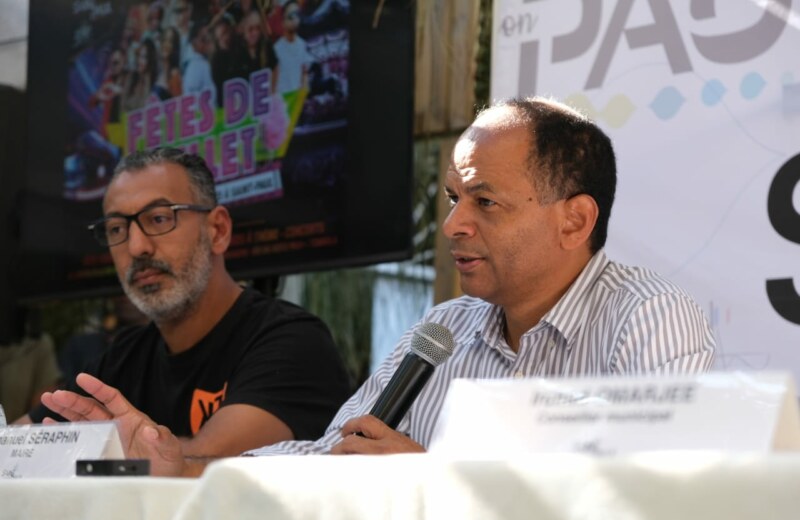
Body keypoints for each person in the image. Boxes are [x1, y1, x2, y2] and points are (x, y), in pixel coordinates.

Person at [39, 97, 716, 475]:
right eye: (451, 197)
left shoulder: (649, 318)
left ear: (575, 218)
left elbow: (662, 500)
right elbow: (333, 452)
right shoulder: (444, 330)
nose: (452, 225)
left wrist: (437, 474)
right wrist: (183, 465)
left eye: (485, 202)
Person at [24, 147, 352, 460]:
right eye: (116, 228)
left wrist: (107, 449)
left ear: (218, 230)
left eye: (159, 219)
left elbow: (211, 466)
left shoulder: (290, 341)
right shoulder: (120, 361)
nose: (137, 247)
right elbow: (18, 445)